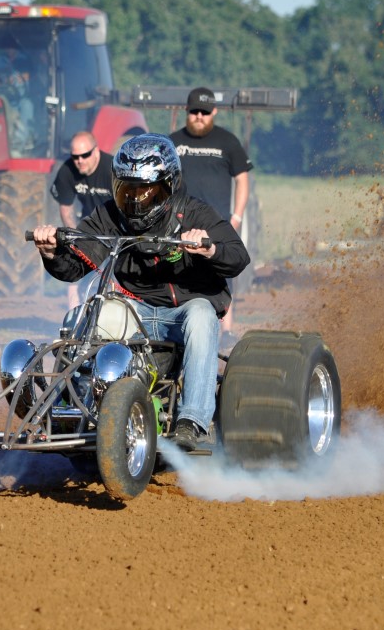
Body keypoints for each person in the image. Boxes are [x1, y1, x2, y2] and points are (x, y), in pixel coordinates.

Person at [31, 134, 249, 452]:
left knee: (202, 314)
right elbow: (75, 266)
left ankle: (193, 422)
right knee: (89, 312)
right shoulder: (111, 217)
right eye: (127, 189)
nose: (135, 200)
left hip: (186, 309)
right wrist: (50, 252)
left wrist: (209, 248)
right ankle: (72, 407)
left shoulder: (195, 213)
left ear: (168, 185)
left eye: (145, 190)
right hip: (137, 308)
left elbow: (238, 256)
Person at [170, 87, 254, 336]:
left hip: (217, 222)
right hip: (179, 220)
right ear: (187, 111)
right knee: (178, 269)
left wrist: (236, 217)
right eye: (195, 111)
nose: (199, 116)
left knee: (222, 268)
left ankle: (226, 329)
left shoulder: (227, 141)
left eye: (204, 112)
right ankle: (179, 324)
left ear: (214, 112)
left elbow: (242, 179)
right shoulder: (173, 142)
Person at [49, 131, 114, 307]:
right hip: (89, 226)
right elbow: (66, 209)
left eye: (85, 155)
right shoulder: (67, 170)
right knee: (74, 264)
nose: (80, 161)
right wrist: (76, 238)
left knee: (113, 273)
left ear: (96, 151)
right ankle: (74, 317)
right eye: (75, 156)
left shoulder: (113, 170)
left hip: (115, 226)